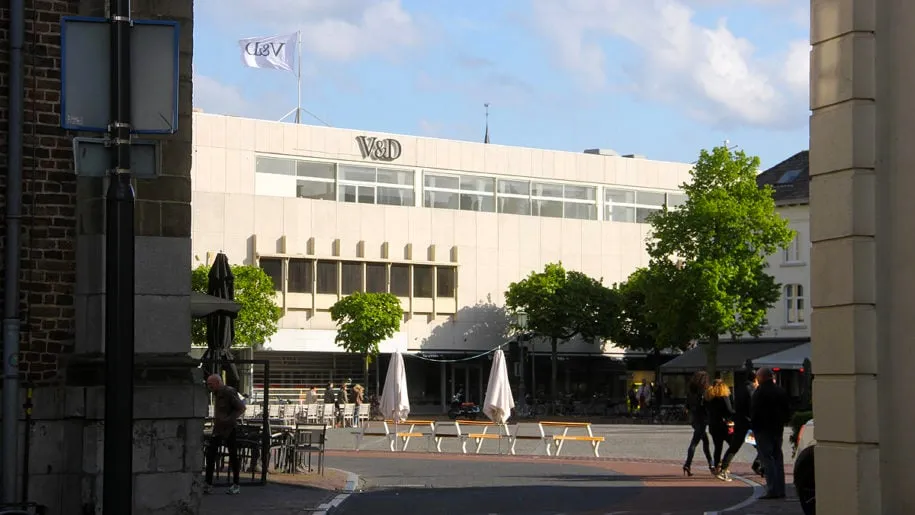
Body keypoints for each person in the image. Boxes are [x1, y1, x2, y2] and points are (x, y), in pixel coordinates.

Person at [751, 367, 791, 499]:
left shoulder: (760, 392)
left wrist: (754, 426)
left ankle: (772, 489)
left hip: (763, 429)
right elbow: (787, 410)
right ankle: (780, 489)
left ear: (761, 377)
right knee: (778, 458)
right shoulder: (780, 390)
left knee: (767, 459)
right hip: (777, 429)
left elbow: (754, 411)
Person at [204, 374, 246, 495]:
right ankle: (208, 483)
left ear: (217, 383)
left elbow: (241, 408)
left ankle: (236, 484)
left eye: (210, 384)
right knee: (210, 454)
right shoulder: (217, 393)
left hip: (229, 428)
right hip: (218, 428)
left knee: (233, 456)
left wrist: (229, 419)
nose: (209, 387)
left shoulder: (228, 392)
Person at [718, 369, 759, 481]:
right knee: (760, 445)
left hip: (740, 422)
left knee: (734, 447)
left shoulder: (740, 388)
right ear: (755, 379)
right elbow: (752, 407)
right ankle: (757, 465)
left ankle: (723, 468)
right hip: (748, 424)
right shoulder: (751, 389)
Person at [682, 371, 713, 476]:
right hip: (702, 419)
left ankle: (710, 463)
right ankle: (688, 463)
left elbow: (687, 406)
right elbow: (707, 407)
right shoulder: (703, 392)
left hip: (694, 419)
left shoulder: (691, 391)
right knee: (695, 443)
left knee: (705, 441)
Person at [705, 379, 735, 478]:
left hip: (713, 425)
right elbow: (729, 410)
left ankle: (717, 466)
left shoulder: (709, 397)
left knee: (718, 447)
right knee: (733, 444)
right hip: (724, 425)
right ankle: (724, 465)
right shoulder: (723, 396)